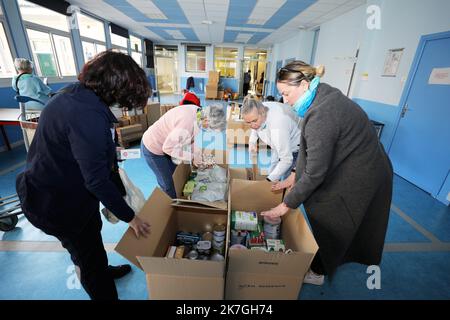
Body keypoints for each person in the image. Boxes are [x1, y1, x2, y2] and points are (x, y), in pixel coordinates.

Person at [15, 51, 152, 300]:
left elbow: (89, 153)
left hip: (69, 190)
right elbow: (96, 179)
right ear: (114, 91)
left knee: (93, 236)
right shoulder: (87, 116)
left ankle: (101, 268)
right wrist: (131, 218)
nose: (126, 111)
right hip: (56, 203)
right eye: (126, 103)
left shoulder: (77, 94)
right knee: (88, 261)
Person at [261, 61, 393, 286]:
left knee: (334, 218)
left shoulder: (322, 114)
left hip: (363, 172)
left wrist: (285, 205)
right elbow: (310, 151)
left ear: (303, 85)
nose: (284, 100)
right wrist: (294, 174)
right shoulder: (321, 95)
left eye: (286, 93)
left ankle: (319, 270)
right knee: (328, 211)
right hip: (353, 162)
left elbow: (315, 172)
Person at [141, 104, 226, 199]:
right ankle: (171, 207)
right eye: (211, 129)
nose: (209, 132)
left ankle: (178, 200)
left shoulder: (199, 114)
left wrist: (198, 156)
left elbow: (194, 139)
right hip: (154, 148)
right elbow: (168, 148)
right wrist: (192, 157)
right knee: (169, 185)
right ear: (207, 120)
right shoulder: (187, 122)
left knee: (176, 178)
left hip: (170, 147)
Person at [241, 95, 301, 182]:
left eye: (254, 121)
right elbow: (254, 125)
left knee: (286, 180)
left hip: (296, 147)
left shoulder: (278, 124)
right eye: (248, 122)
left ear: (263, 113)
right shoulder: (258, 109)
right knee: (272, 170)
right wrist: (252, 141)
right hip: (279, 142)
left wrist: (268, 181)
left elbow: (286, 159)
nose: (252, 125)